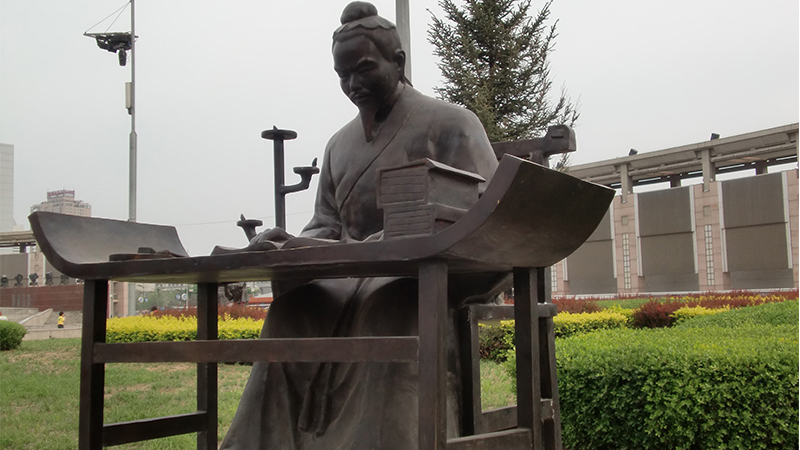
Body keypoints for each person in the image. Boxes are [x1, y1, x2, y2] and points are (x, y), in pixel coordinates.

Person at [220, 3, 502, 449]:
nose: (353, 84)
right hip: (348, 277)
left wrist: (401, 239)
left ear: (398, 62)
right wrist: (289, 244)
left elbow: (483, 214)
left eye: (364, 69)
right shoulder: (338, 145)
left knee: (392, 309)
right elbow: (326, 225)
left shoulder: (452, 123)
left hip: (419, 277)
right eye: (342, 74)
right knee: (291, 312)